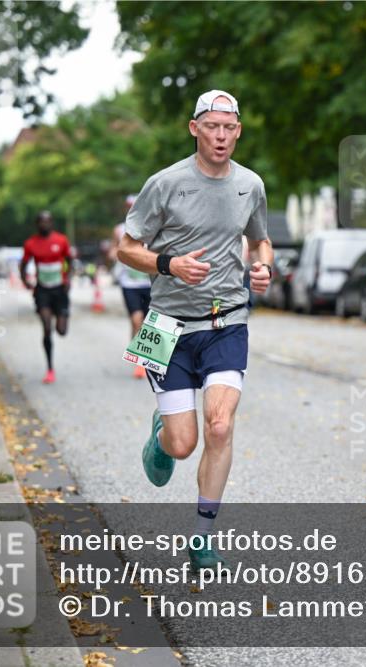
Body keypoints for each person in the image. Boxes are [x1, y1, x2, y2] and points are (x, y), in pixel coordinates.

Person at [117, 89, 272, 571]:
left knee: (220, 425)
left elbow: (260, 240)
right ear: (194, 129)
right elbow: (126, 249)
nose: (221, 136)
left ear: (238, 131)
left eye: (229, 128)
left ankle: (203, 539)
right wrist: (168, 263)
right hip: (164, 325)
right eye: (212, 127)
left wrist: (264, 268)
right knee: (182, 445)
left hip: (227, 320)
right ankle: (161, 432)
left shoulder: (251, 184)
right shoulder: (164, 184)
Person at [20, 211, 75, 384]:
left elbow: (70, 261)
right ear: (37, 224)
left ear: (52, 223)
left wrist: (69, 279)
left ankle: (63, 314)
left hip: (60, 290)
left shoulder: (61, 240)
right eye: (41, 222)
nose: (45, 224)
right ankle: (50, 368)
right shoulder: (30, 243)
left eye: (48, 221)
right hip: (42, 290)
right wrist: (25, 282)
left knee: (61, 331)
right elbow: (23, 264)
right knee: (46, 328)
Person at [111, 195, 153, 379]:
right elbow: (114, 249)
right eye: (129, 206)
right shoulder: (120, 230)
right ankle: (140, 363)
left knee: (147, 323)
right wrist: (115, 254)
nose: (132, 209)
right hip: (129, 283)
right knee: (137, 320)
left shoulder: (154, 227)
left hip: (150, 283)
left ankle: (142, 355)